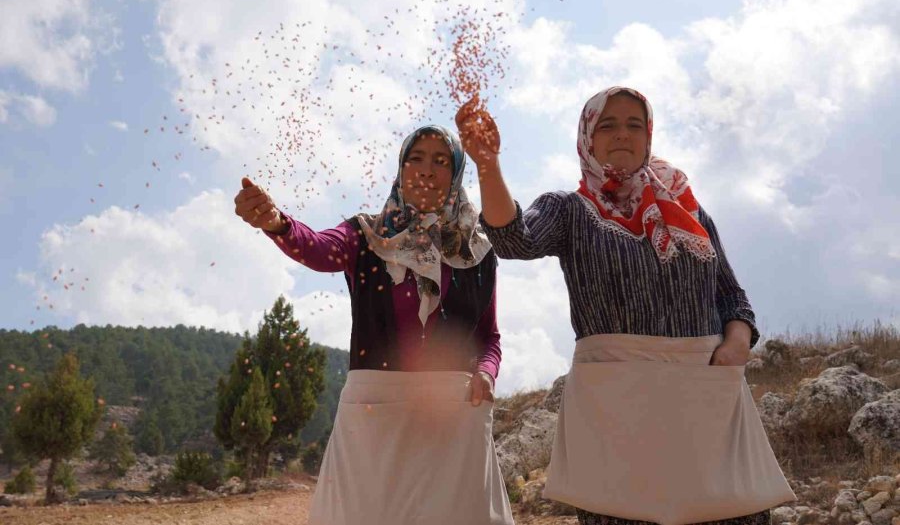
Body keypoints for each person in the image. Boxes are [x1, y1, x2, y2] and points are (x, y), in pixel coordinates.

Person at [456, 87, 795, 525]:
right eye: (608, 125)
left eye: (634, 125)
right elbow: (514, 238)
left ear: (648, 136)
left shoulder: (686, 208)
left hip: (705, 401)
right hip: (617, 411)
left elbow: (732, 296)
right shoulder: (570, 211)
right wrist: (487, 165)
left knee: (730, 513)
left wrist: (736, 344)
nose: (622, 134)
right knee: (622, 514)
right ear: (588, 139)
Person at [233, 124, 514, 525]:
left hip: (452, 414)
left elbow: (490, 337)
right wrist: (278, 223)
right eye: (415, 158)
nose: (426, 170)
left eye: (440, 161)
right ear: (400, 170)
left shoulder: (478, 250)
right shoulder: (367, 235)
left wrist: (486, 374)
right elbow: (318, 249)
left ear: (456, 173)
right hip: (372, 415)